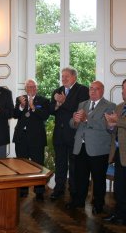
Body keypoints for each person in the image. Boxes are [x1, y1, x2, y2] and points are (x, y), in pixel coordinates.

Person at [66, 81, 116, 214]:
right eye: (91, 89)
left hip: (98, 149)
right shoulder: (83, 104)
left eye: (96, 89)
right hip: (80, 146)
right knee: (80, 177)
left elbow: (107, 126)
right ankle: (79, 201)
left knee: (98, 179)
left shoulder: (110, 106)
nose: (92, 91)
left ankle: (98, 204)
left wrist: (87, 119)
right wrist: (75, 120)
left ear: (102, 90)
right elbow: (72, 123)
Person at [50, 66, 89, 200]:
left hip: (74, 134)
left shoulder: (83, 90)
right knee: (60, 164)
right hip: (59, 135)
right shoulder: (57, 91)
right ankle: (58, 189)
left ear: (74, 77)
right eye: (62, 76)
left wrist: (63, 102)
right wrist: (57, 105)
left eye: (67, 76)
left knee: (74, 165)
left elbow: (78, 109)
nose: (64, 78)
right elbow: (51, 110)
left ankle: (74, 191)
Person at [13, 79, 50, 201]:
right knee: (21, 165)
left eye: (33, 86)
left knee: (38, 165)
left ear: (37, 88)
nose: (31, 88)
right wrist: (21, 106)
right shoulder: (20, 99)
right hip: (21, 137)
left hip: (36, 138)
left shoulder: (44, 100)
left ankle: (39, 191)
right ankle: (23, 190)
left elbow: (45, 116)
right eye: (29, 87)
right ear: (25, 88)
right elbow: (15, 115)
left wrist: (33, 107)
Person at [103, 79, 126, 225]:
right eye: (123, 89)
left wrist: (117, 121)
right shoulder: (119, 107)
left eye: (125, 89)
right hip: (118, 153)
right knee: (119, 188)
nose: (123, 92)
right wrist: (110, 125)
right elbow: (111, 129)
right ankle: (119, 213)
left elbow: (120, 122)